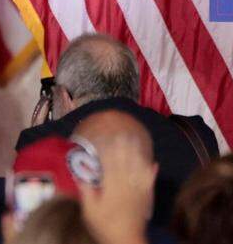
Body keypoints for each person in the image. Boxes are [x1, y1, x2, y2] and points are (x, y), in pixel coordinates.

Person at [15, 34, 217, 226]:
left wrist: (39, 142)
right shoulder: (193, 134)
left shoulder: (41, 143)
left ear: (65, 96)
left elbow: (33, 231)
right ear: (133, 90)